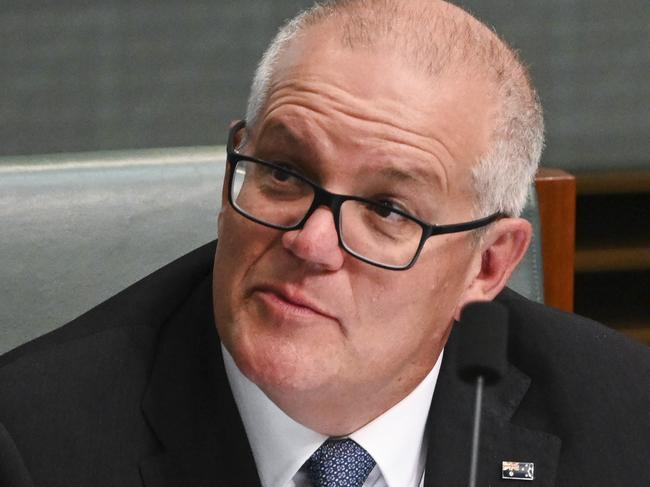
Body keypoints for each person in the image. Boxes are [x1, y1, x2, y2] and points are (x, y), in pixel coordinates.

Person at [1, 1, 648, 486]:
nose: (311, 242)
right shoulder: (34, 443)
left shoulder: (622, 420)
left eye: (387, 209)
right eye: (284, 173)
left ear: (487, 264)